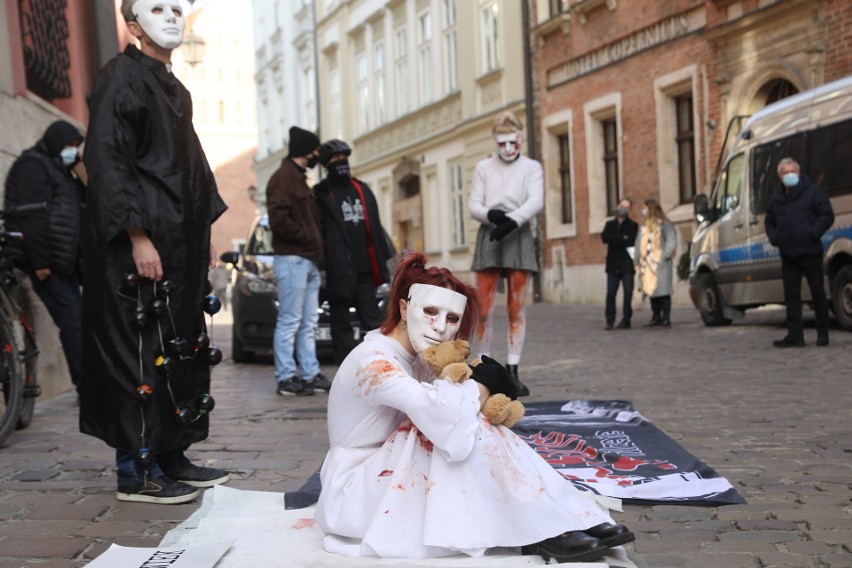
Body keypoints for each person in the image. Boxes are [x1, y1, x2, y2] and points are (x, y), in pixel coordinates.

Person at [315, 251, 634, 563]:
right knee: (452, 425)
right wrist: (481, 385)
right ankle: (539, 527)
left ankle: (561, 514)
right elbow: (442, 416)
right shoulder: (373, 360)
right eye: (430, 311)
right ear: (403, 306)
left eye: (452, 318)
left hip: (387, 473)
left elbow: (453, 413)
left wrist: (474, 392)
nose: (441, 327)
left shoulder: (420, 359)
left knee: (471, 423)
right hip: (354, 492)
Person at [80, 0, 230, 505]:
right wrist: (136, 235)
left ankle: (172, 454)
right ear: (132, 22)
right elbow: (108, 159)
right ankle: (135, 471)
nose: (170, 16)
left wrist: (202, 228)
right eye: (156, 8)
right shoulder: (120, 77)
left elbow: (191, 165)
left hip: (180, 244)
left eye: (176, 8)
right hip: (142, 248)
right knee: (140, 353)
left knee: (181, 346)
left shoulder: (176, 89)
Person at [4, 120, 86, 393]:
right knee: (72, 320)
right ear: (56, 141)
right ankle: (84, 384)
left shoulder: (59, 168)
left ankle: (88, 381)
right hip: (46, 263)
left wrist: (79, 167)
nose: (73, 152)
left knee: (79, 319)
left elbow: (86, 199)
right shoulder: (33, 166)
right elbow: (31, 216)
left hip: (63, 262)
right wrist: (40, 263)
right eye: (70, 146)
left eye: (77, 148)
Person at [468, 112, 543, 397]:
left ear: (520, 138)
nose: (509, 149)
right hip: (490, 231)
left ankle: (513, 370)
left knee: (516, 308)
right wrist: (491, 215)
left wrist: (513, 220)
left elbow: (536, 200)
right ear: (495, 142)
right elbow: (474, 202)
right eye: (502, 144)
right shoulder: (483, 167)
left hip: (519, 231)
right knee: (484, 309)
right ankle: (483, 365)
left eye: (513, 142)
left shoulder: (531, 167)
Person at [314, 139, 393, 364]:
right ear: (327, 165)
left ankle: (378, 365)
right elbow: (319, 233)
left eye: (344, 159)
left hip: (365, 269)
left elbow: (376, 229)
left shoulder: (362, 190)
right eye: (336, 160)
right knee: (341, 324)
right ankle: (347, 368)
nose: (341, 164)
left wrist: (383, 263)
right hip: (338, 270)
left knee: (373, 323)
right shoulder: (321, 195)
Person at [266, 126, 331, 396]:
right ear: (306, 151)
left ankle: (310, 373)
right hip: (293, 259)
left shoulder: (297, 177)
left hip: (308, 260)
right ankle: (285, 377)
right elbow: (278, 220)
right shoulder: (283, 178)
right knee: (290, 321)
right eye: (315, 150)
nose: (317, 154)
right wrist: (308, 237)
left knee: (308, 323)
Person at [765, 157, 835, 348]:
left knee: (818, 294)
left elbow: (826, 215)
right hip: (788, 254)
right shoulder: (776, 198)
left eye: (792, 172)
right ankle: (795, 335)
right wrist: (776, 237)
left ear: (799, 172)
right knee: (792, 296)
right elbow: (769, 221)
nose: (789, 176)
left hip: (810, 250)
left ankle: (823, 333)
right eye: (785, 173)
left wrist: (813, 232)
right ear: (780, 177)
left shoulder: (813, 192)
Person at [634, 199, 677, 327]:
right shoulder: (644, 226)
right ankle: (656, 316)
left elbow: (671, 241)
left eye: (645, 208)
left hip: (660, 263)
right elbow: (638, 244)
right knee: (651, 291)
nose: (643, 211)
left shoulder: (664, 224)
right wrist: (637, 261)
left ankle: (666, 316)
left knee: (663, 291)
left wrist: (663, 256)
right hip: (646, 264)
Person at [601, 197, 638, 330]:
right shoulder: (609, 225)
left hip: (627, 264)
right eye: (622, 206)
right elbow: (605, 238)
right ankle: (609, 320)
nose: (624, 209)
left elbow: (631, 241)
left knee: (628, 292)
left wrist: (617, 239)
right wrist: (621, 237)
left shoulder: (633, 225)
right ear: (617, 207)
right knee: (611, 292)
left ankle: (626, 319)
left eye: (627, 207)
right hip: (612, 264)